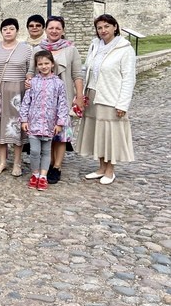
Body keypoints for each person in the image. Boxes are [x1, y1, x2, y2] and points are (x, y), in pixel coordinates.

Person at [76, 14, 136, 185]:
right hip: (93, 94)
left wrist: (123, 103)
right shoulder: (95, 45)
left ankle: (110, 170)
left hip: (111, 96)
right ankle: (101, 167)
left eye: (106, 27)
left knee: (111, 134)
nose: (103, 30)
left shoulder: (125, 49)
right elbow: (87, 68)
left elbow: (129, 78)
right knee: (98, 132)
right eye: (100, 27)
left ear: (114, 27)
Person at [27, 16, 84, 184]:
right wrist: (29, 80)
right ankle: (47, 163)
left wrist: (79, 96)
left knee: (60, 135)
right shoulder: (38, 48)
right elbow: (31, 71)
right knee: (45, 133)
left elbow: (77, 74)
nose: (54, 31)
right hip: (42, 101)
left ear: (63, 30)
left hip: (62, 97)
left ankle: (56, 166)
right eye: (51, 28)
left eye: (57, 28)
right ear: (46, 30)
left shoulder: (71, 49)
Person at [19, 50, 68, 191]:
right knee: (34, 151)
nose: (44, 66)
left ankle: (43, 176)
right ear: (36, 66)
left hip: (49, 125)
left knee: (46, 151)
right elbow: (26, 102)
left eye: (46, 63)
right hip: (34, 124)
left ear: (52, 64)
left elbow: (62, 104)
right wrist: (24, 120)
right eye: (40, 64)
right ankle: (35, 173)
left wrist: (60, 123)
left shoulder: (58, 83)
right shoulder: (32, 82)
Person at [0, 18, 32, 177]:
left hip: (18, 90)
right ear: (1, 32)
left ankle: (17, 163)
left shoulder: (26, 49)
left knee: (16, 127)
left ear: (17, 31)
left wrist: (29, 80)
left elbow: (31, 70)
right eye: (5, 29)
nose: (8, 32)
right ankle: (2, 161)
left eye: (11, 29)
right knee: (0, 126)